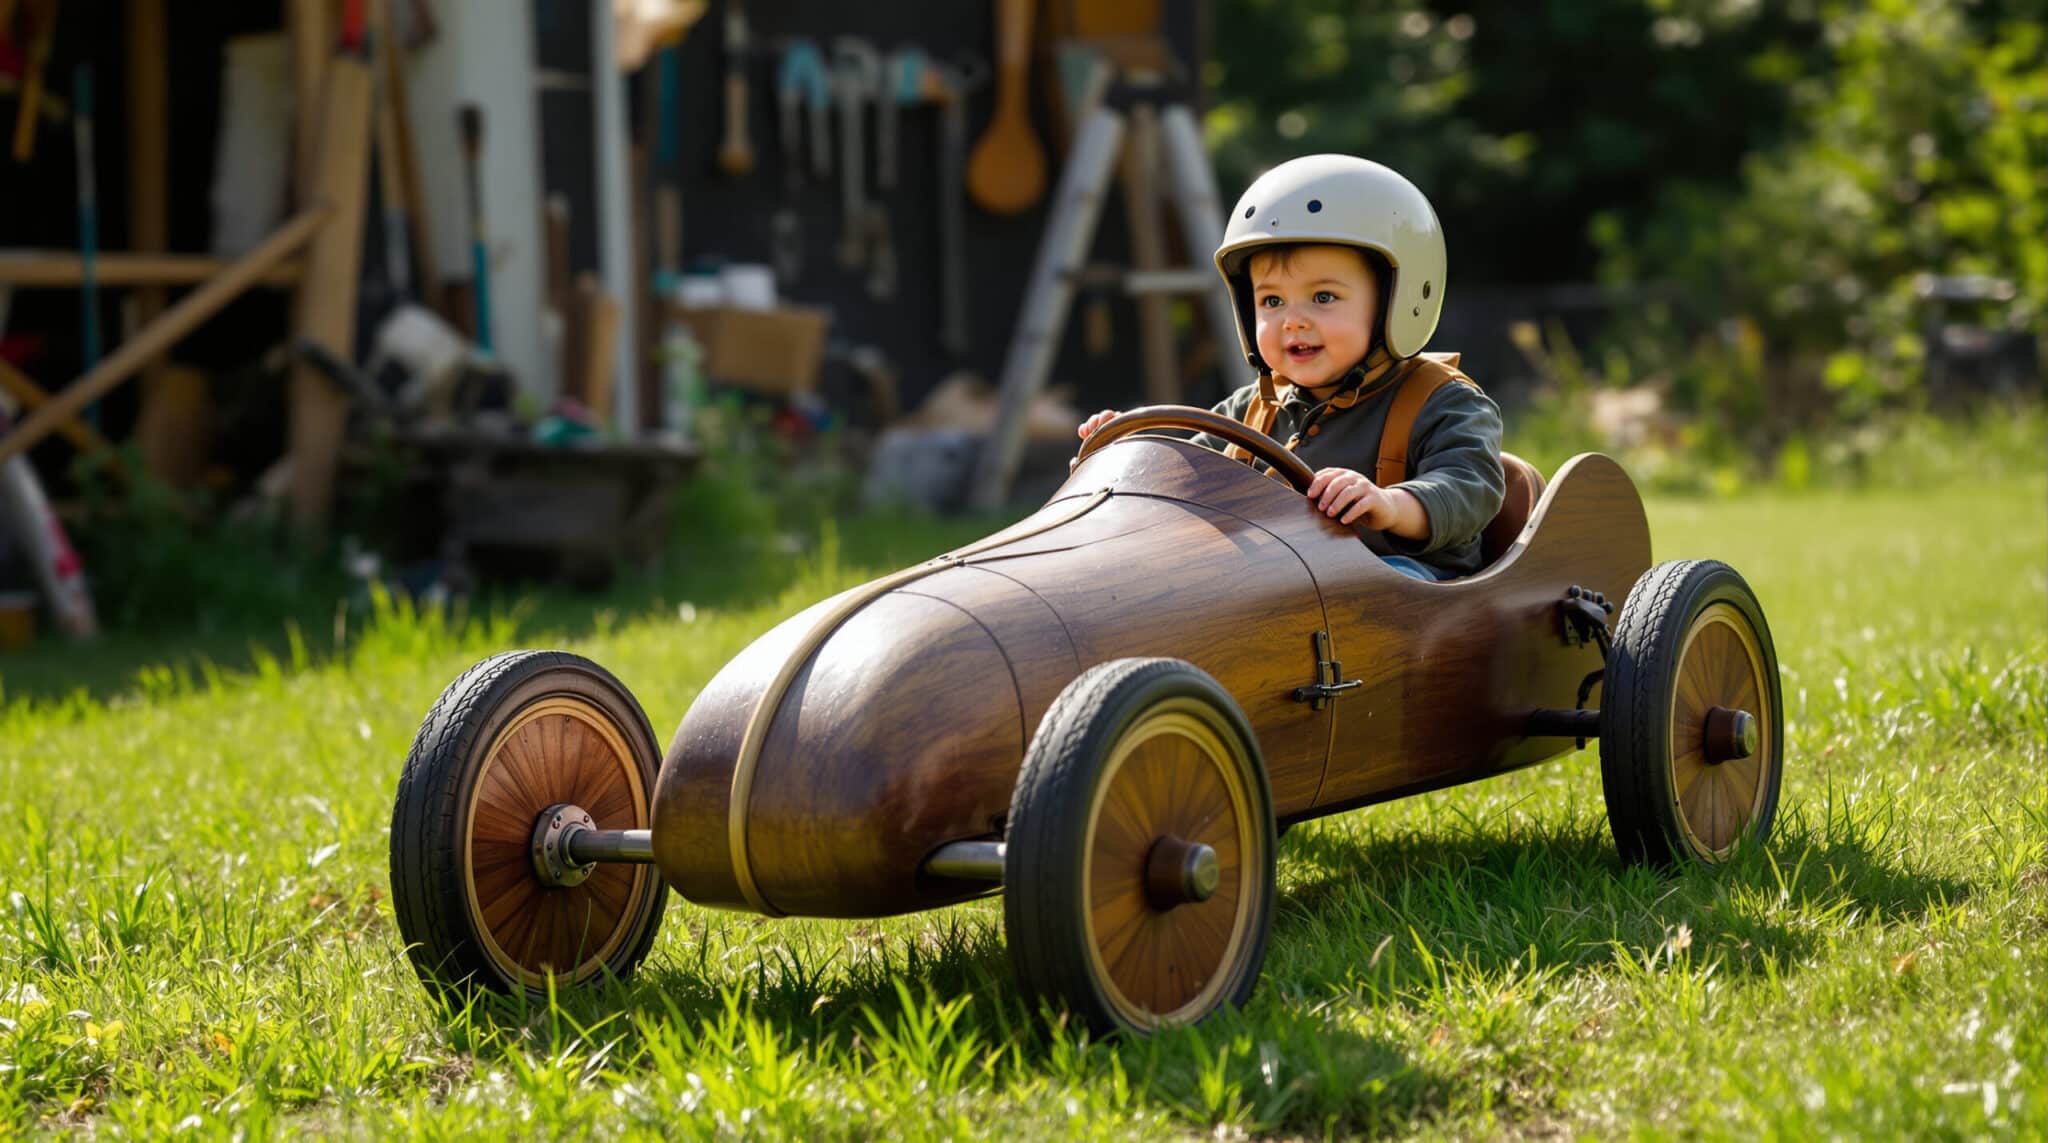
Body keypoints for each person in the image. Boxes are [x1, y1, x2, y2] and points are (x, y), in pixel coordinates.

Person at [1077, 155, 1504, 580]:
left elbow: (1470, 488)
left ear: (1397, 300)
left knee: (1371, 592)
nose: (1292, 320)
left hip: (1407, 591)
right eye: (1272, 301)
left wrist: (1390, 504)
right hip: (1285, 590)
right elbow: (1191, 476)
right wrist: (1135, 454)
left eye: (1323, 297)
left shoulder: (1444, 402)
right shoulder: (1253, 408)